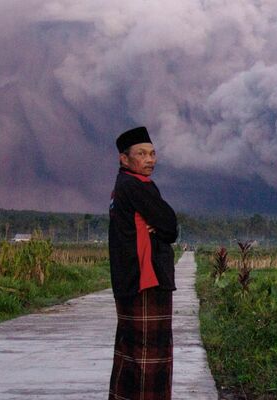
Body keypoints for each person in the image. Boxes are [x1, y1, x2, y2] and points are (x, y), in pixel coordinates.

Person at [108, 126, 178, 400]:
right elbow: (170, 226)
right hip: (146, 281)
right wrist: (161, 227)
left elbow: (161, 225)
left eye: (152, 153)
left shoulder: (122, 187)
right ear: (124, 159)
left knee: (130, 352)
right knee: (150, 355)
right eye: (141, 154)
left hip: (129, 282)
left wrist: (157, 226)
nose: (150, 159)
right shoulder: (136, 186)